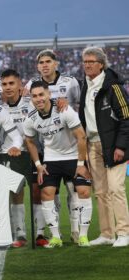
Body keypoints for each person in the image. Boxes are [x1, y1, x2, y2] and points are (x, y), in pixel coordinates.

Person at [24, 81, 93, 248]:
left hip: (72, 157)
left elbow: (81, 136)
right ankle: (55, 238)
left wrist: (81, 163)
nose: (39, 99)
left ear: (48, 94)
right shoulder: (31, 118)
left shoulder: (64, 110)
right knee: (46, 194)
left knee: (83, 191)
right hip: (51, 159)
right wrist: (39, 165)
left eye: (41, 94)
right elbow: (30, 142)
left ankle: (83, 236)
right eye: (34, 96)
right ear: (31, 98)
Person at [25, 49, 82, 242]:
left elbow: (80, 107)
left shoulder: (70, 82)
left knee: (73, 189)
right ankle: (54, 233)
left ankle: (76, 232)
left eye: (48, 61)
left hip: (71, 144)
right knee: (51, 191)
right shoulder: (30, 85)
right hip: (46, 147)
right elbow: (29, 112)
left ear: (56, 63)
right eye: (41, 62)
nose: (44, 65)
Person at [79, 46, 129, 247]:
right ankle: (107, 234)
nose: (87, 65)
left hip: (114, 145)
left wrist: (121, 146)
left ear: (101, 64)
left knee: (116, 188)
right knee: (100, 191)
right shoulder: (86, 85)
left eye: (91, 62)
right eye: (85, 62)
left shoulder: (113, 86)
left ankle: (124, 232)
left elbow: (127, 118)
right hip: (93, 144)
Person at [0, 69, 47, 247]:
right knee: (15, 192)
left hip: (34, 152)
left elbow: (48, 103)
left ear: (20, 84)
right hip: (10, 154)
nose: (8, 87)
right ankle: (20, 234)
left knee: (37, 192)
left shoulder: (31, 102)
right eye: (4, 84)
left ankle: (40, 233)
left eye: (11, 83)